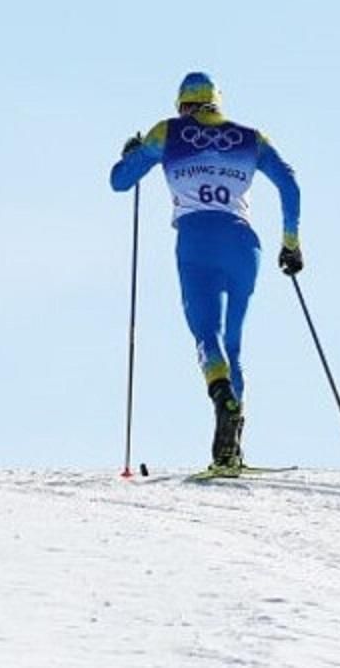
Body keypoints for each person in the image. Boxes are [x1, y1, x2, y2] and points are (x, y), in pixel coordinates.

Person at [110, 71, 302, 472]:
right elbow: (290, 184)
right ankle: (230, 451)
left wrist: (133, 153)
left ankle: (221, 399)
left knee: (206, 335)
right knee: (235, 345)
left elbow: (120, 182)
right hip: (244, 244)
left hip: (197, 240)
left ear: (183, 104)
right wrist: (291, 243)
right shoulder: (252, 138)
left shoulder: (168, 132)